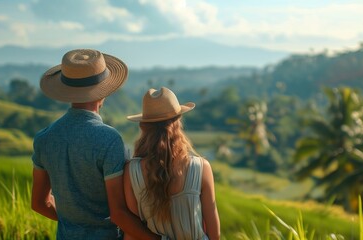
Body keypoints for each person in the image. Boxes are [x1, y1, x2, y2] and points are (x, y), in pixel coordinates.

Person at [31, 49, 160, 239]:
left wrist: (74, 223)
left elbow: (39, 203)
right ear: (103, 92)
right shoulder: (109, 139)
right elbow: (119, 213)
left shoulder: (44, 138)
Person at [123, 87, 221, 240]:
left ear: (143, 126)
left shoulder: (132, 171)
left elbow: (133, 231)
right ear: (177, 122)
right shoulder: (201, 167)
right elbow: (214, 232)